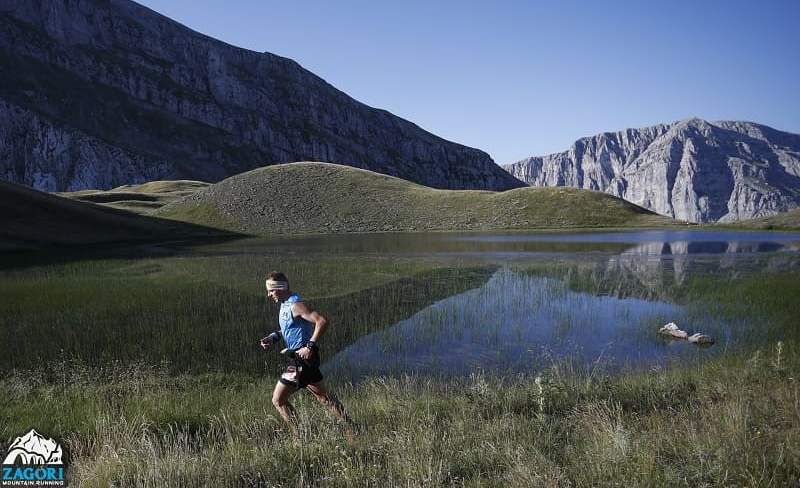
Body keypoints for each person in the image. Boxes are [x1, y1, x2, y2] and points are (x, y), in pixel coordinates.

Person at [260, 271, 351, 429]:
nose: (269, 294)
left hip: (302, 361)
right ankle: (352, 428)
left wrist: (310, 346)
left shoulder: (296, 305)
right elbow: (289, 328)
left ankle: (300, 436)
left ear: (281, 287)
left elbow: (321, 321)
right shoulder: (285, 305)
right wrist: (274, 337)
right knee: (324, 398)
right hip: (304, 361)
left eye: (271, 290)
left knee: (278, 400)